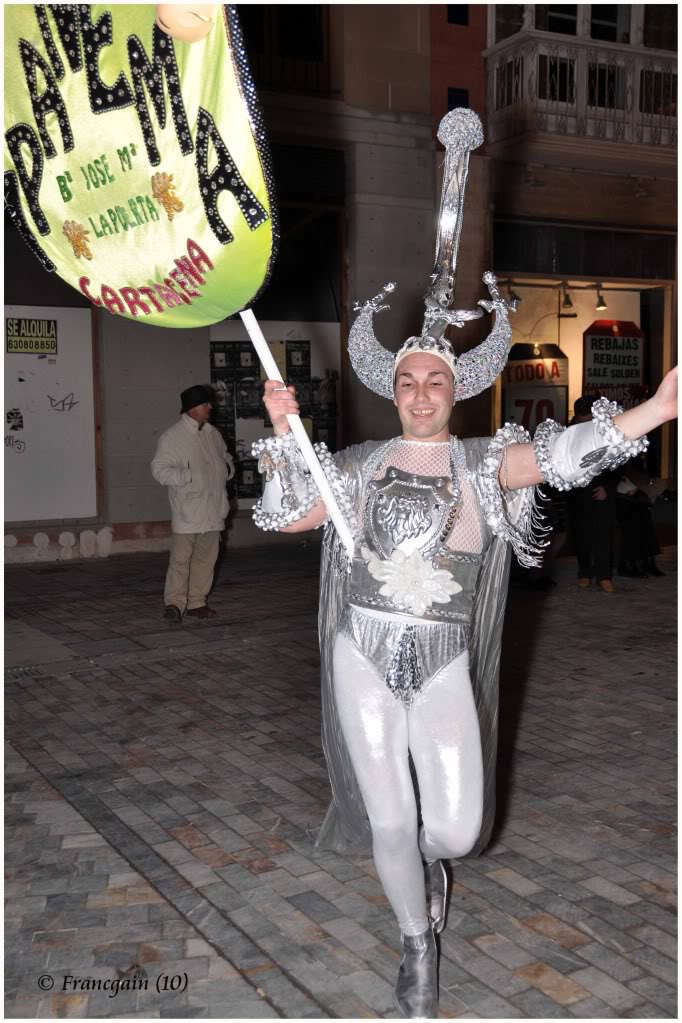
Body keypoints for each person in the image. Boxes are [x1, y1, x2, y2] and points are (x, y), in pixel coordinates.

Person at [252, 271, 678, 1017]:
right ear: (393, 389)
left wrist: (654, 411)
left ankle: (427, 870)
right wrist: (285, 436)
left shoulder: (484, 465)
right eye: (408, 380)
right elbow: (287, 516)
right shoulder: (355, 464)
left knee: (452, 827)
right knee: (390, 818)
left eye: (435, 380)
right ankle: (417, 941)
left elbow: (561, 456)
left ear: (457, 389)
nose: (420, 392)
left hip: (444, 654)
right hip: (364, 652)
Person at [152, 385, 234, 622]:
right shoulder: (172, 437)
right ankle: (174, 604)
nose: (211, 407)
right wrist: (186, 476)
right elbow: (159, 470)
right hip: (188, 510)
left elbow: (226, 457)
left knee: (206, 559)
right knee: (180, 561)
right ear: (191, 409)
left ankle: (197, 603)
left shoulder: (213, 434)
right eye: (205, 403)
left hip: (214, 509)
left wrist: (227, 470)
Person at [566, 395, 620, 593]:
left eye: (587, 419)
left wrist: (607, 486)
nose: (584, 423)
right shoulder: (569, 430)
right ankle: (585, 573)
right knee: (582, 535)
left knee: (603, 535)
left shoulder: (606, 429)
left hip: (603, 490)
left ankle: (604, 576)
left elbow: (618, 460)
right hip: (578, 493)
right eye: (580, 419)